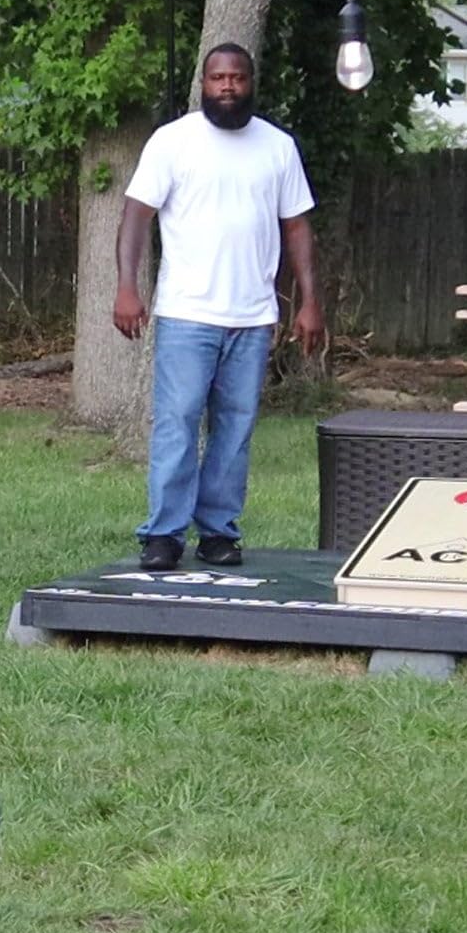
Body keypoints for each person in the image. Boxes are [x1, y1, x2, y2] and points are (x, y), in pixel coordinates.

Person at [112, 43, 325, 570]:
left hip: (252, 317)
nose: (227, 86)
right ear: (203, 83)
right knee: (178, 422)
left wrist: (309, 302)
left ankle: (218, 532)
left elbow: (296, 225)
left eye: (237, 77)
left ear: (251, 81)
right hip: (187, 311)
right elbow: (137, 215)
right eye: (217, 78)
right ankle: (162, 534)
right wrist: (127, 286)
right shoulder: (173, 141)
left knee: (234, 428)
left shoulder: (277, 146)